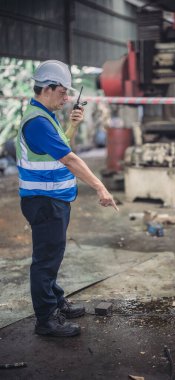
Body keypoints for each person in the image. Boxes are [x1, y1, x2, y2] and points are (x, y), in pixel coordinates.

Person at [16, 60, 118, 337]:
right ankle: (46, 320)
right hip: (44, 200)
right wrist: (100, 187)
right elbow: (69, 158)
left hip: (51, 199)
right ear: (48, 88)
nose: (67, 97)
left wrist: (73, 126)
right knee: (46, 259)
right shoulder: (38, 122)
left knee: (52, 254)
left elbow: (61, 145)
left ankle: (55, 301)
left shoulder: (43, 115)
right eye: (63, 91)